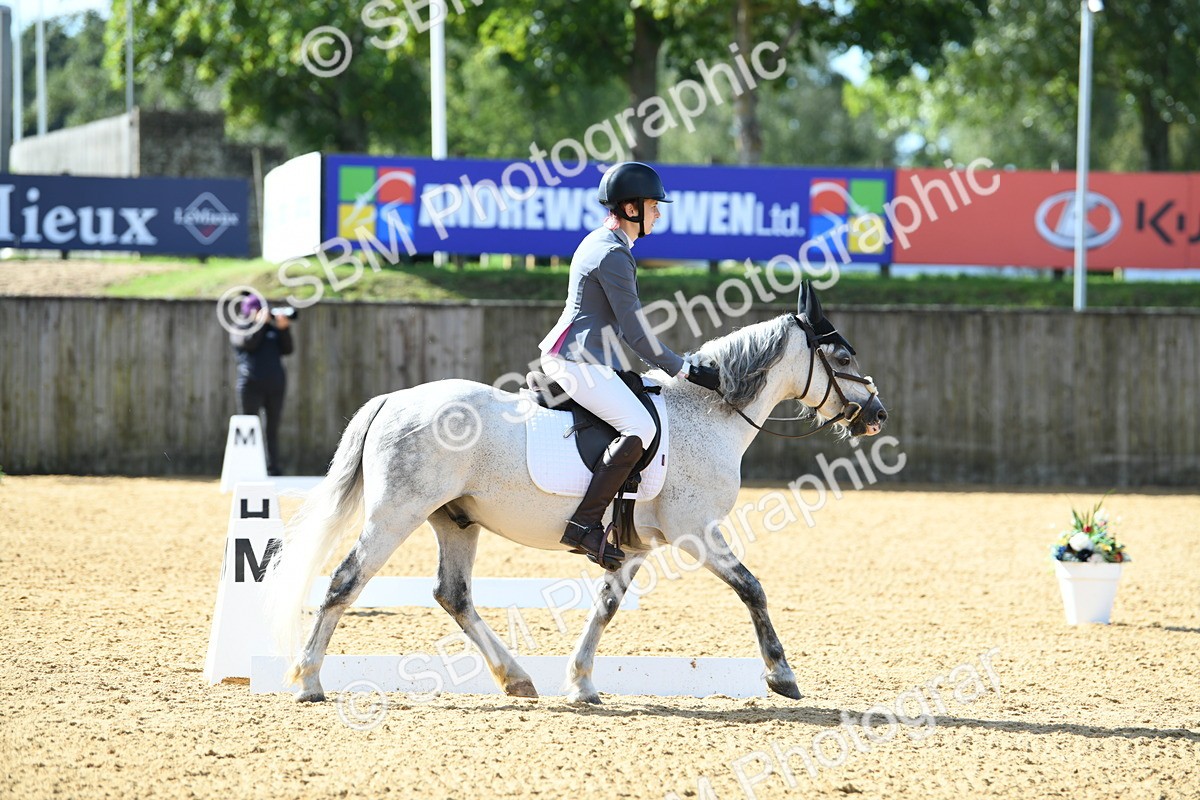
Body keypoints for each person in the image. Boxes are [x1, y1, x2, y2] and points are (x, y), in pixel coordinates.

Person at [538, 161, 721, 571]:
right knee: (641, 426)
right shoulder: (613, 255)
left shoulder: (604, 242)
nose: (659, 213)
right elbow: (636, 334)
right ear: (632, 208)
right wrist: (686, 369)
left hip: (581, 355)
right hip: (576, 360)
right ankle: (583, 524)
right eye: (654, 205)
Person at [230, 294, 293, 476]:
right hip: (250, 384)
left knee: (272, 428)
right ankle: (246, 468)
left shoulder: (271, 330)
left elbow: (288, 349)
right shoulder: (240, 328)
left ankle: (273, 468)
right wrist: (259, 325)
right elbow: (249, 344)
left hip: (275, 385)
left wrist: (284, 330)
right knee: (249, 427)